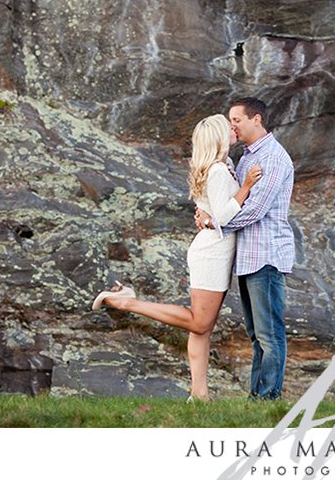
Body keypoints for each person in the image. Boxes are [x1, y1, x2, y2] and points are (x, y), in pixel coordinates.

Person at [91, 114, 262, 401]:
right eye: (227, 126)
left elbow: (214, 212)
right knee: (199, 323)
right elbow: (224, 215)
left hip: (214, 249)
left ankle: (199, 395)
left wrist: (211, 214)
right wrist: (245, 187)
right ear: (219, 137)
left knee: (202, 331)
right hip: (212, 253)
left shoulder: (223, 166)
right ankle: (126, 301)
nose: (233, 129)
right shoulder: (220, 172)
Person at [196, 97, 295, 400]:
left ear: (256, 120)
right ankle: (257, 397)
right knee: (256, 335)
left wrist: (216, 223)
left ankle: (267, 398)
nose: (232, 126)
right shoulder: (246, 158)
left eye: (236, 120)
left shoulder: (274, 158)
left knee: (269, 334)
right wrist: (206, 212)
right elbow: (230, 201)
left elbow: (255, 210)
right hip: (247, 257)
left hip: (266, 256)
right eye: (230, 121)